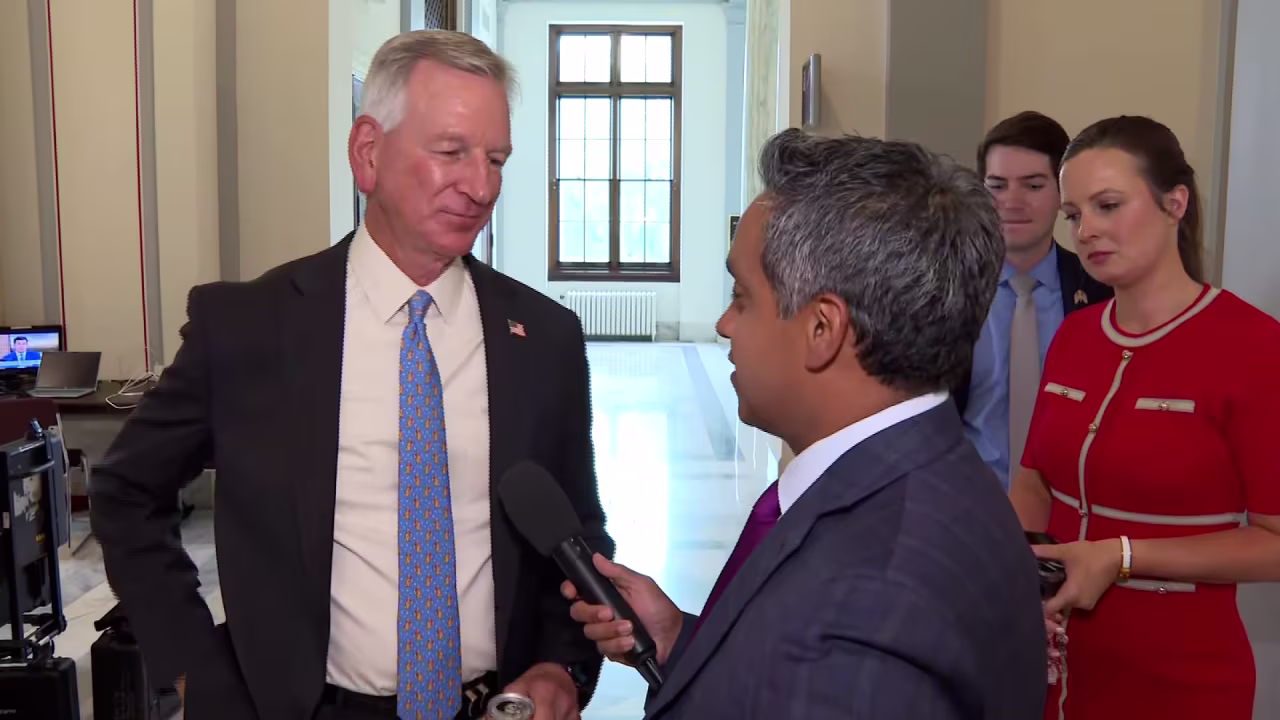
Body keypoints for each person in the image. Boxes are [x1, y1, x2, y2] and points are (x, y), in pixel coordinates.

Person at [90, 30, 612, 720]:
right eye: (451, 152)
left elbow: (573, 532)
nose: (481, 186)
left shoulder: (543, 337)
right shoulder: (249, 328)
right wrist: (197, 672)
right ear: (368, 153)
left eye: (496, 159)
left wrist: (560, 667)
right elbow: (126, 490)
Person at [563, 130, 1047, 719]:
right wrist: (680, 645)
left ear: (823, 329)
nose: (723, 323)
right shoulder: (924, 474)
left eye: (742, 297)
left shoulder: (866, 613)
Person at [1012, 115, 1280, 720]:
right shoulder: (1075, 336)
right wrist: (1007, 563)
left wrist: (1122, 554)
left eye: (1108, 205)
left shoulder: (1255, 346)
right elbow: (1034, 480)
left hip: (1180, 677)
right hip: (1053, 666)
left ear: (1174, 203)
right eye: (1075, 215)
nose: (1088, 230)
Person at [959, 112, 1112, 491]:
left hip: (1072, 516)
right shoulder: (946, 289)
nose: (1011, 202)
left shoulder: (1101, 290)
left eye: (1032, 185)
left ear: (1062, 193)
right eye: (996, 185)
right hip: (966, 510)